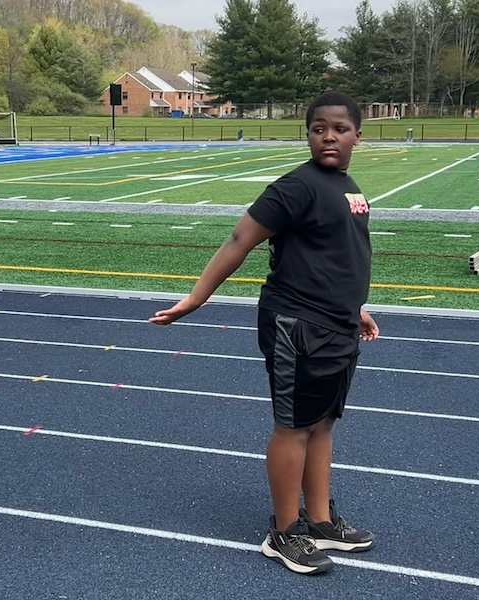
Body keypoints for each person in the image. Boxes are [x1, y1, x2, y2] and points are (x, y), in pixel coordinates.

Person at [150, 91, 379, 575]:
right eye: (319, 129)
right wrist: (196, 298)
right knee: (294, 426)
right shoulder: (295, 187)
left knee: (322, 423)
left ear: (359, 134)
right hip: (297, 323)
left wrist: (354, 307)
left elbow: (339, 255)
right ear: (309, 135)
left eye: (339, 128)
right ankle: (284, 530)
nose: (329, 136)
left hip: (337, 322)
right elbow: (239, 239)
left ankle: (318, 520)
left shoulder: (348, 187)